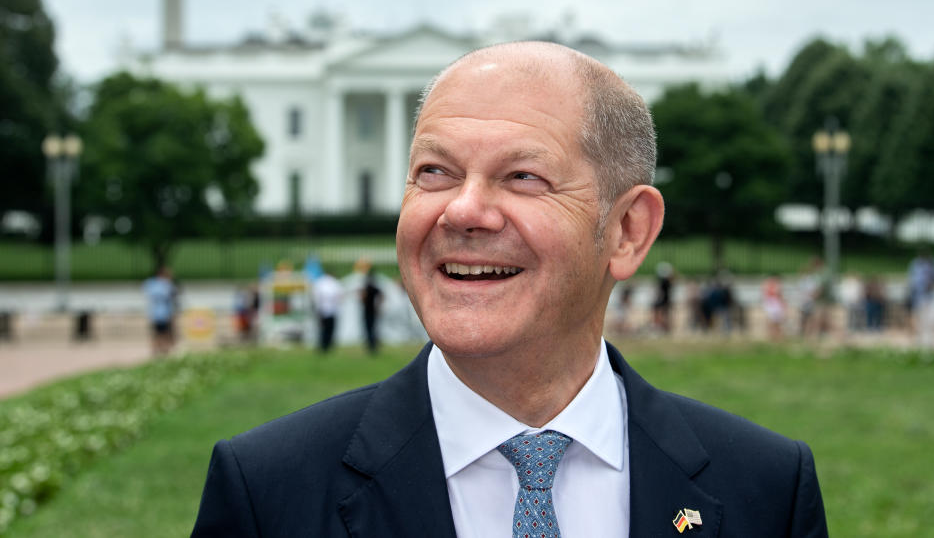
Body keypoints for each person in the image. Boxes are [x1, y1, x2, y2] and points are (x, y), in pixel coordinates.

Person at [191, 42, 827, 537]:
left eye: (523, 177)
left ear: (629, 231)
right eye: (434, 172)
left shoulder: (766, 490)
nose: (464, 211)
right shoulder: (268, 492)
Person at [142, 265, 176, 355]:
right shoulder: (164, 285)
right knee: (162, 333)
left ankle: (160, 350)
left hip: (159, 313)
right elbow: (169, 295)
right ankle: (160, 350)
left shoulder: (152, 284)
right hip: (162, 313)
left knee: (160, 333)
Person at [310, 268, 344, 352]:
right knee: (330, 329)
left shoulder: (319, 282)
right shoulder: (334, 283)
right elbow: (340, 295)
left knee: (322, 329)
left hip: (321, 309)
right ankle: (327, 345)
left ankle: (323, 345)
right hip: (332, 309)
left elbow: (315, 296)